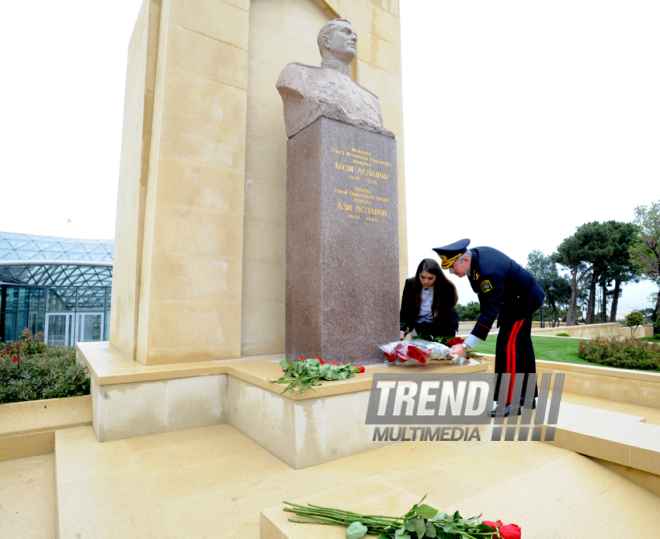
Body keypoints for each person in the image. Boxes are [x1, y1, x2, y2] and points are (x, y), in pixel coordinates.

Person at [432, 239, 545, 417]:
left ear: (465, 260)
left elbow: (488, 313)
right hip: (514, 301)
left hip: (522, 301)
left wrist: (465, 346)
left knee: (507, 347)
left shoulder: (487, 271)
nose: (451, 272)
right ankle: (527, 396)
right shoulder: (475, 264)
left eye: (452, 267)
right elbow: (487, 303)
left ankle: (510, 402)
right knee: (522, 346)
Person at [276, 18, 394, 139]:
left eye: (355, 36)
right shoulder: (298, 75)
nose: (354, 38)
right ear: (326, 41)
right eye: (346, 32)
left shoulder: (371, 100)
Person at [400, 259, 459, 340]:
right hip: (417, 324)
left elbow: (445, 316)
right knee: (417, 346)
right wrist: (402, 330)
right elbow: (405, 311)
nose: (426, 281)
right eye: (422, 277)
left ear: (437, 277)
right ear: (418, 275)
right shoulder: (410, 284)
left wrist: (432, 336)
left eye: (430, 278)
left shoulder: (447, 287)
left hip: (443, 324)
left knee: (440, 348)